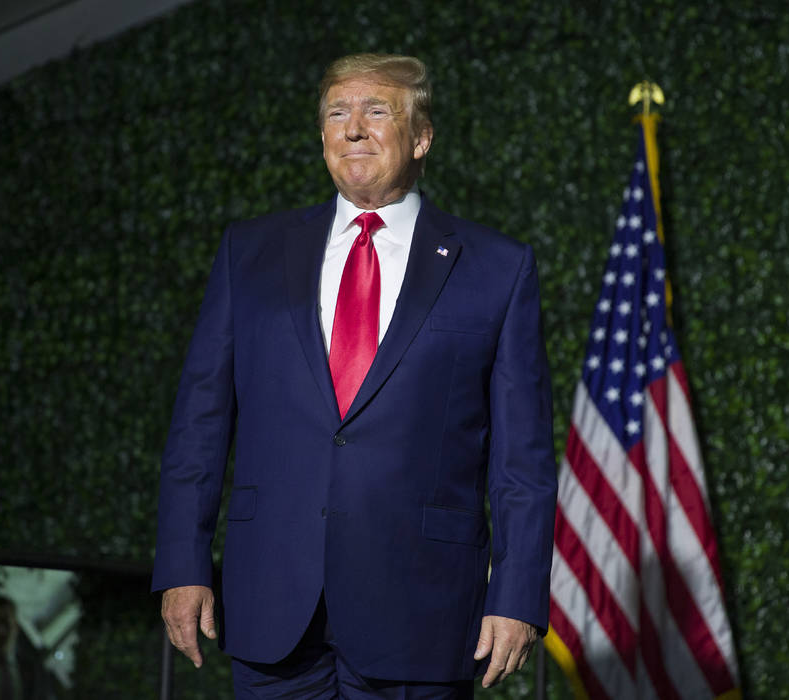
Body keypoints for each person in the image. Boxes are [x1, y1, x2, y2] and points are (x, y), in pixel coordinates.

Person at [151, 53, 557, 699]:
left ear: (421, 137)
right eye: (337, 113)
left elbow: (523, 461)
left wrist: (517, 596)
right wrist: (181, 564)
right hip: (272, 611)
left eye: (377, 111)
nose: (353, 128)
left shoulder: (498, 269)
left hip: (420, 616)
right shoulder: (248, 253)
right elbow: (199, 424)